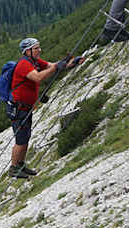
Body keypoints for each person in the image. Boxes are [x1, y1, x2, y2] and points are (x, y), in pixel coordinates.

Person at [8, 38, 85, 179]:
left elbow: (52, 65)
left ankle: (20, 165)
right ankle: (13, 168)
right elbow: (37, 78)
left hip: (26, 107)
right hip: (19, 108)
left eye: (39, 47)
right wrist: (56, 67)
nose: (40, 50)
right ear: (28, 51)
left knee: (25, 137)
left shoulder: (35, 62)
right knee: (21, 139)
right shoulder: (24, 64)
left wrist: (70, 63)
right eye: (36, 48)